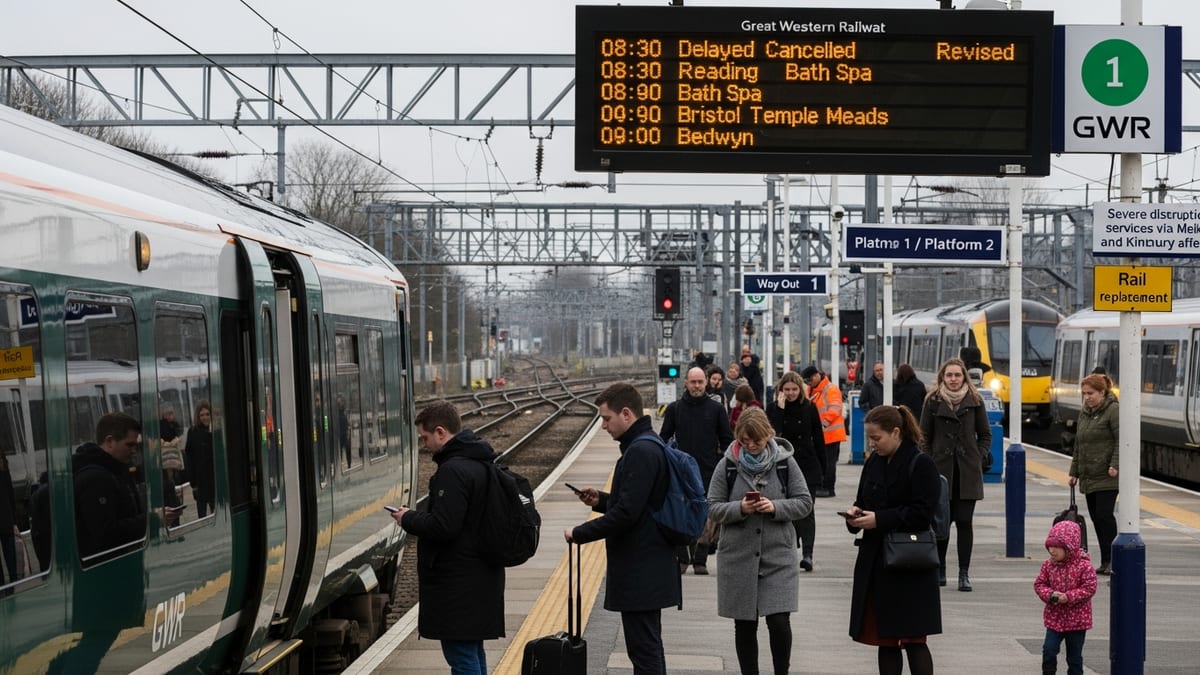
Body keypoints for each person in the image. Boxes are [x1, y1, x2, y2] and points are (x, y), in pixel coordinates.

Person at [564, 383, 678, 675]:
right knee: (647, 647)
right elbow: (637, 505)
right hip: (648, 564)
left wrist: (579, 534)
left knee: (644, 651)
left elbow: (627, 514)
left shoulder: (640, 451)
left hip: (642, 567)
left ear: (626, 414)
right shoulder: (645, 445)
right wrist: (602, 500)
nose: (603, 425)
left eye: (606, 418)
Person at [390, 400, 505, 675]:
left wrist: (408, 518)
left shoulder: (453, 470)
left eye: (425, 437)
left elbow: (445, 526)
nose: (425, 444)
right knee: (471, 651)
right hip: (479, 576)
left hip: (459, 582)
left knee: (462, 656)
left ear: (441, 432)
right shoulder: (480, 462)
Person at [709, 407, 812, 675]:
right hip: (738, 558)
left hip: (778, 557)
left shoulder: (785, 463)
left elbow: (804, 503)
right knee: (744, 624)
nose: (751, 446)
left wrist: (776, 507)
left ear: (769, 435)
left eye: (756, 440)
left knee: (779, 622)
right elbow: (712, 507)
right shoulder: (727, 465)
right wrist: (740, 509)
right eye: (744, 441)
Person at [845, 405, 941, 675]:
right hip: (877, 563)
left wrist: (880, 519)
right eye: (869, 438)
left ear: (896, 432)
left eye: (876, 438)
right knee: (885, 641)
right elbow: (863, 500)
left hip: (910, 565)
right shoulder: (873, 461)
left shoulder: (922, 464)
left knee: (914, 641)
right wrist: (855, 514)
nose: (872, 444)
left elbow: (923, 513)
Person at [919, 358, 992, 591]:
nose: (953, 379)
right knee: (942, 522)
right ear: (942, 377)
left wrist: (978, 456)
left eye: (957, 375)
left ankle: (964, 573)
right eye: (949, 375)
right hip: (941, 472)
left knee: (964, 521)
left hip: (967, 472)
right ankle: (940, 570)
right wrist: (929, 462)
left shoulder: (975, 401)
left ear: (964, 377)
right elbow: (923, 437)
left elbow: (985, 434)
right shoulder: (932, 401)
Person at [661, 367, 733, 575]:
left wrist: (724, 464)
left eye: (700, 382)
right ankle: (683, 557)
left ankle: (700, 560)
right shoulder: (675, 409)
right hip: (681, 471)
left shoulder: (716, 410)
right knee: (680, 514)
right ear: (686, 383)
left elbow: (726, 440)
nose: (697, 386)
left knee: (706, 516)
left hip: (709, 470)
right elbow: (664, 437)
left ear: (706, 383)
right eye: (693, 382)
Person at [765, 371, 825, 571]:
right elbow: (772, 436)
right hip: (783, 465)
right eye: (786, 389)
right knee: (785, 510)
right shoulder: (773, 409)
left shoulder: (809, 408)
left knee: (807, 510)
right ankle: (788, 550)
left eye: (794, 389)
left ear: (800, 389)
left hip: (807, 464)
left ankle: (808, 553)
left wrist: (824, 469)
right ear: (780, 390)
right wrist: (780, 410)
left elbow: (818, 439)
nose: (790, 393)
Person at [73, 412, 147, 562]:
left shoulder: (117, 470)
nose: (134, 450)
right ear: (110, 441)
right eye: (129, 444)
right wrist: (149, 520)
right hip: (107, 569)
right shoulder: (95, 479)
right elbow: (106, 534)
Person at [1069, 373, 1119, 576]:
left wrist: (1115, 464)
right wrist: (1074, 471)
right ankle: (1106, 559)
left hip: (1107, 475)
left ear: (1102, 392)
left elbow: (1121, 439)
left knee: (1105, 516)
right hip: (1089, 475)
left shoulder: (1113, 411)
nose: (1087, 397)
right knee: (1096, 518)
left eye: (1090, 393)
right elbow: (1078, 443)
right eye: (1084, 394)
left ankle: (1115, 559)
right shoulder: (1085, 413)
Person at [1035, 520, 1098, 675]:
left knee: (1074, 657)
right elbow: (1040, 584)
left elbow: (1089, 588)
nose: (1052, 550)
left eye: (1057, 547)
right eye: (1050, 546)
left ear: (1070, 548)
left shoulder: (1084, 566)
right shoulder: (1048, 565)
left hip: (1077, 620)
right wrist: (1050, 595)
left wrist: (1068, 597)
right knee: (1049, 650)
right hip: (1054, 618)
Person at [801, 366, 846, 498]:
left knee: (829, 462)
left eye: (810, 380)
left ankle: (828, 488)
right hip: (819, 435)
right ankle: (820, 485)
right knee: (820, 461)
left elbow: (835, 408)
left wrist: (822, 423)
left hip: (830, 433)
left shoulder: (830, 389)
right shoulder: (812, 390)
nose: (808, 383)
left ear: (816, 376)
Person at [185, 401, 216, 519]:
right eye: (202, 415)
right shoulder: (193, 432)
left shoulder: (216, 430)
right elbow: (190, 457)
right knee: (202, 513)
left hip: (214, 478)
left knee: (216, 509)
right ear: (198, 416)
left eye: (207, 414)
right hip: (200, 479)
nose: (205, 417)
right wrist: (192, 481)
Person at [0, 454, 18, 585]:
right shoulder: (2, 464)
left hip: (5, 516)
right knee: (11, 557)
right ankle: (13, 585)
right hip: (5, 516)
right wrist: (14, 519)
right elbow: (10, 494)